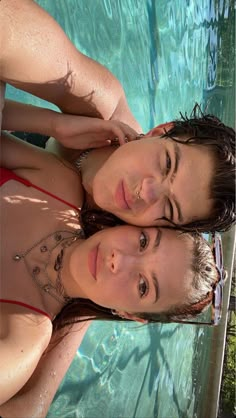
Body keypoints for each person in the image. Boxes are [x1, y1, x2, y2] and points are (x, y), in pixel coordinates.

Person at [0, 130, 219, 407]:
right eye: (143, 241)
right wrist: (57, 123)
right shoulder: (57, 181)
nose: (119, 260)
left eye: (143, 286)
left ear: (131, 314)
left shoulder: (23, 341)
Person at [1, 0, 235, 234]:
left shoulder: (120, 254)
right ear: (160, 131)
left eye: (169, 208)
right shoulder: (104, 108)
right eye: (166, 164)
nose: (145, 193)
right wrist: (54, 124)